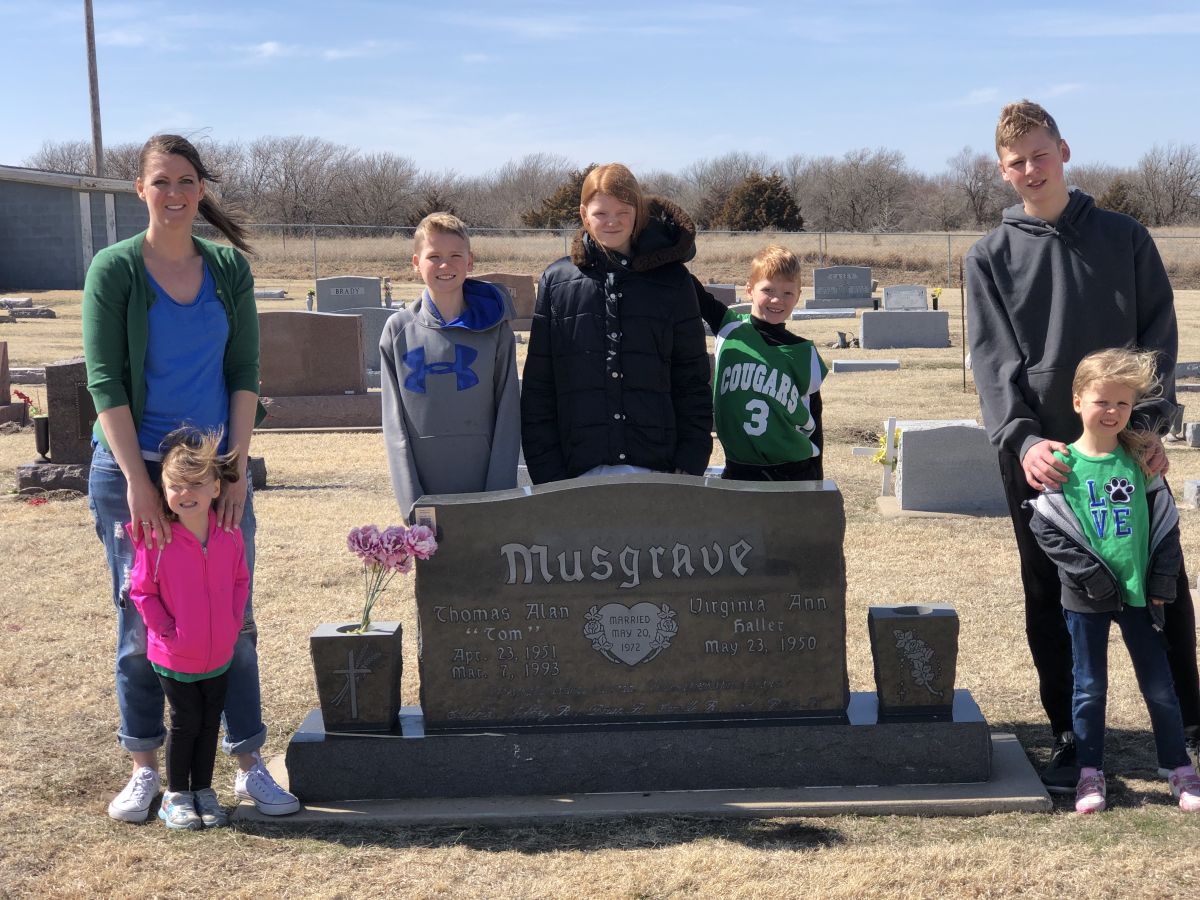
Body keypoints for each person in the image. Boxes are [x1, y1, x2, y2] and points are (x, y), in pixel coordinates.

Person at [966, 100, 1200, 794]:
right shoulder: (989, 257)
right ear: (1002, 172)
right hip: (1046, 456)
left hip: (1127, 447)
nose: (1030, 170)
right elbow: (991, 359)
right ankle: (1071, 734)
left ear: (1064, 152)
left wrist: (1149, 425)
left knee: (1163, 582)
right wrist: (1023, 439)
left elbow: (1158, 334)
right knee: (1053, 588)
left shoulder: (1125, 237)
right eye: (1016, 163)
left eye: (1040, 155)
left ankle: (1187, 722)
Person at [83, 133, 298, 822]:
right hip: (134, 468)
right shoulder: (115, 270)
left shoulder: (227, 269)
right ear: (139, 190)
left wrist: (235, 471)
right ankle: (147, 766)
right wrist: (140, 487)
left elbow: (244, 375)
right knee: (144, 619)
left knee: (232, 618)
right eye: (160, 182)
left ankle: (248, 763)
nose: (174, 194)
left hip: (216, 475)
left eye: (185, 181)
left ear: (200, 188)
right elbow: (105, 381)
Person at [1026, 349, 1200, 813]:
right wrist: (1090, 579)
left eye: (1123, 405)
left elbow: (1165, 526)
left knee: (1159, 685)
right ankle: (1089, 773)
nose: (1113, 412)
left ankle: (1177, 768)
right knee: (1089, 688)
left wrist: (1163, 582)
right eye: (1102, 401)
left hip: (1141, 596)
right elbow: (1049, 529)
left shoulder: (1140, 460)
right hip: (1086, 599)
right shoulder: (1062, 465)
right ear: (1078, 400)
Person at [521, 163, 712, 482]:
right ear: (584, 215)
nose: (612, 222)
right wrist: (546, 471)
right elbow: (541, 386)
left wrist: (690, 460)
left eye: (623, 212)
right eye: (600, 213)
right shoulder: (557, 282)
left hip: (658, 466)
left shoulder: (673, 282)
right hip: (577, 471)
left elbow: (691, 377)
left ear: (638, 212)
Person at [128, 428, 248, 829]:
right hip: (175, 655)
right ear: (163, 491)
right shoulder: (156, 541)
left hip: (219, 654)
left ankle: (204, 791)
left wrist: (232, 624)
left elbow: (239, 581)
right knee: (185, 720)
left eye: (196, 483)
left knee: (210, 721)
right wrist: (166, 632)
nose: (185, 493)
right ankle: (177, 795)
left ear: (216, 487)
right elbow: (143, 592)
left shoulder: (229, 535)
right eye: (175, 486)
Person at [380, 212, 520, 519]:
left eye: (456, 255)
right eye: (434, 256)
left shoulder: (495, 330)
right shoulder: (397, 330)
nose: (445, 265)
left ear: (470, 262)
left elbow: (508, 416)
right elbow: (394, 427)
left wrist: (499, 497)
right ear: (416, 264)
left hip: (484, 489)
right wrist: (413, 505)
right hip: (425, 490)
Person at [693, 245, 826, 481]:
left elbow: (814, 421)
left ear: (798, 296)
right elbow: (692, 289)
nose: (777, 299)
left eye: (788, 293)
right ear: (749, 290)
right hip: (738, 468)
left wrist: (816, 478)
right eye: (768, 289)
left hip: (793, 471)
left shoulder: (805, 353)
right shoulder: (729, 327)